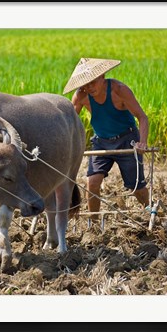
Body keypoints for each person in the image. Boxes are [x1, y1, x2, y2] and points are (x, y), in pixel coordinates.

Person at [63, 58, 150, 219]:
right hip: (101, 142)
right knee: (92, 183)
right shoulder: (81, 96)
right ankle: (94, 223)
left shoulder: (119, 90)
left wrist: (142, 142)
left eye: (92, 82)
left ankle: (149, 211)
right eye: (85, 84)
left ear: (102, 76)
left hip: (127, 140)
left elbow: (142, 117)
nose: (89, 88)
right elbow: (68, 122)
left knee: (136, 186)